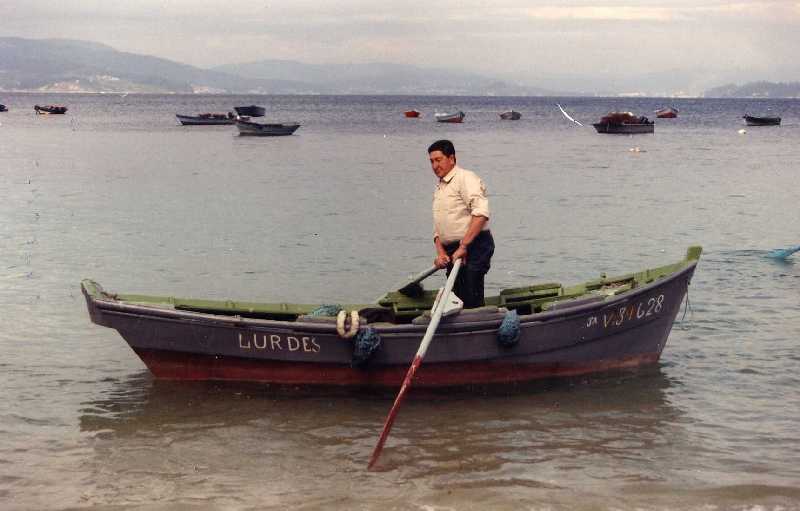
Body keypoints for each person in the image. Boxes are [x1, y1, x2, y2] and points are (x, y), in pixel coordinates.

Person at [428, 139, 494, 308]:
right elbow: (439, 228)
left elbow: (481, 214)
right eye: (431, 161)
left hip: (475, 245)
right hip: (452, 250)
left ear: (452, 158)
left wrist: (464, 246)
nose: (435, 166)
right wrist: (440, 252)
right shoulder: (440, 188)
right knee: (457, 298)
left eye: (438, 160)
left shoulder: (465, 178)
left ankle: (479, 327)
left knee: (471, 292)